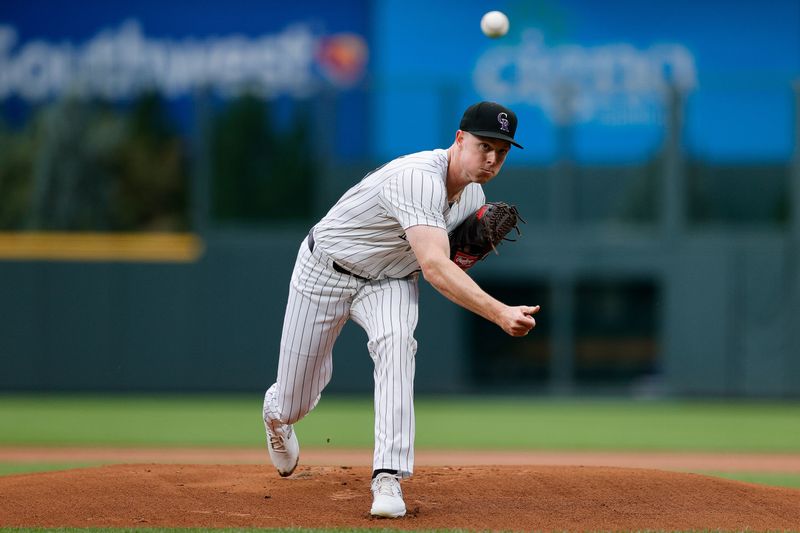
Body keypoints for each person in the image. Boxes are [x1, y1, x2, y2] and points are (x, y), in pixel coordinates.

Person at [262, 101, 540, 518]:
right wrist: (500, 311)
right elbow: (434, 267)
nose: (492, 158)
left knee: (397, 344)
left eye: (501, 151)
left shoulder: (474, 198)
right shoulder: (417, 177)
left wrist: (461, 258)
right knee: (294, 401)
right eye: (484, 146)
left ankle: (387, 476)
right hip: (325, 270)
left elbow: (443, 261)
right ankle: (276, 415)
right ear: (459, 140)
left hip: (390, 281)